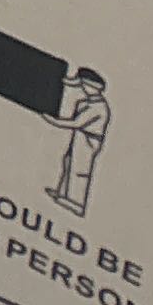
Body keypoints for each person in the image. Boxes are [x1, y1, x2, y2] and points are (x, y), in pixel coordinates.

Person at [53, 66, 111, 208]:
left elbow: (76, 123)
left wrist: (54, 121)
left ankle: (75, 201)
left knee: (80, 169)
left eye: (83, 85)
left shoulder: (98, 107)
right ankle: (62, 193)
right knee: (68, 161)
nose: (83, 88)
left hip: (88, 140)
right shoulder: (86, 103)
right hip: (79, 136)